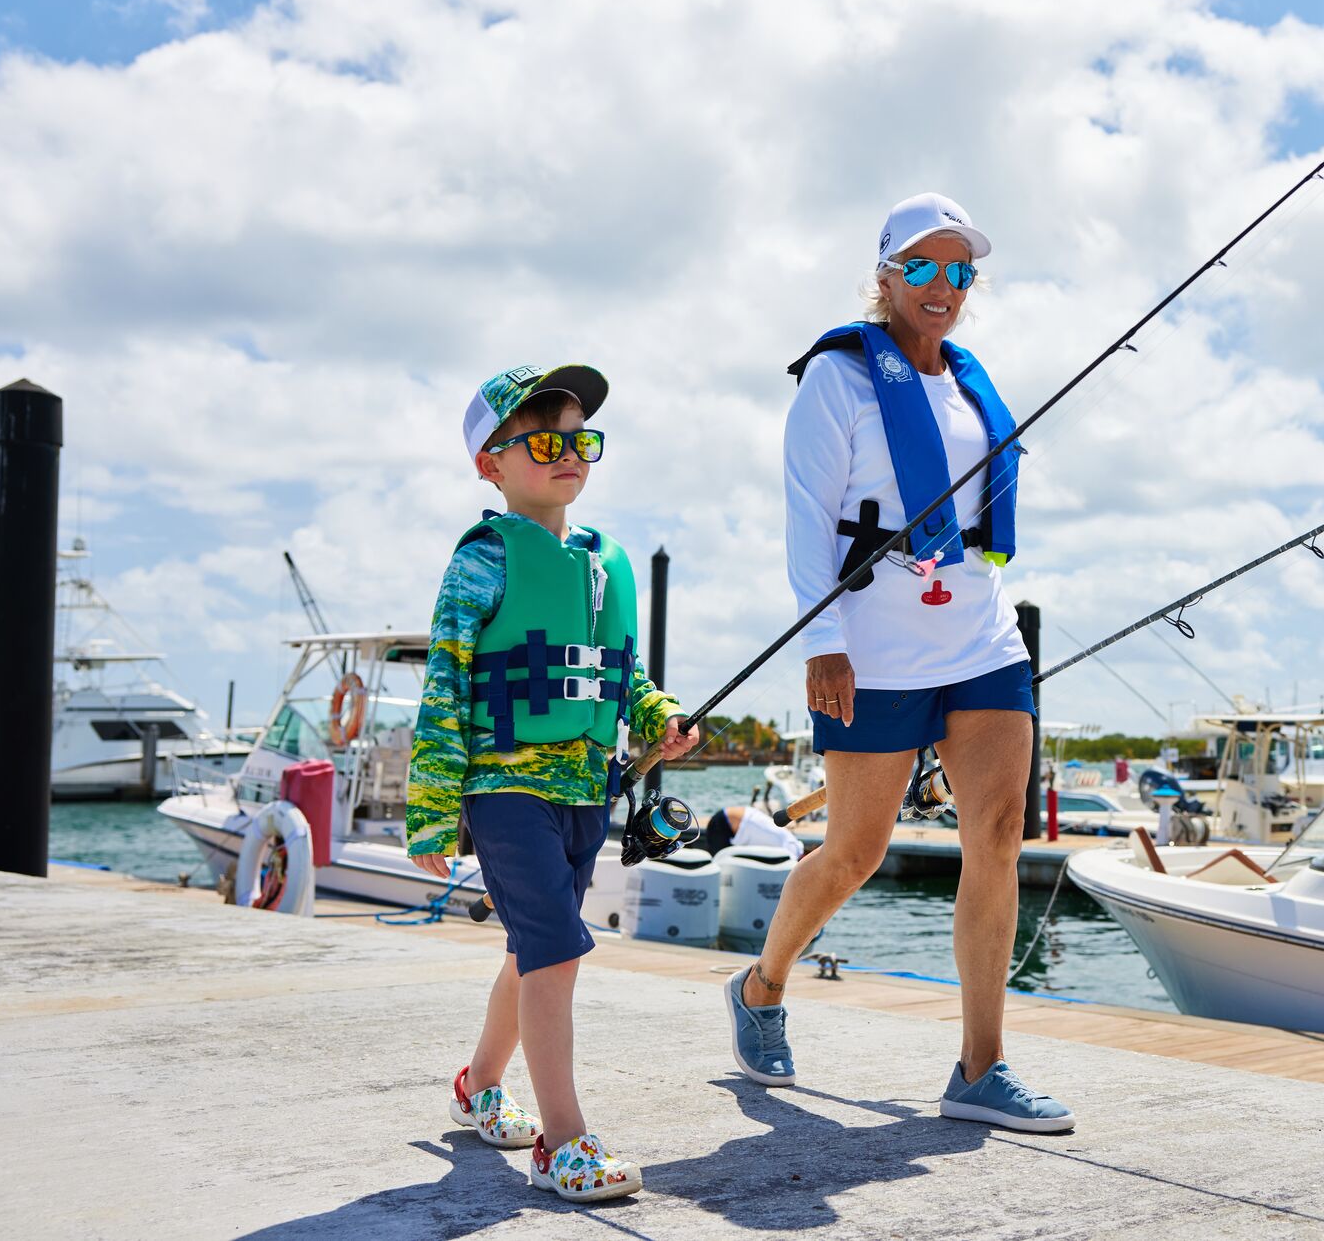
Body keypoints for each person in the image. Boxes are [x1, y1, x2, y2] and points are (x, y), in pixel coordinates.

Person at [722, 192, 1074, 1132]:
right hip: (871, 649)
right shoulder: (837, 381)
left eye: (960, 271)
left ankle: (979, 1067)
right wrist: (821, 644)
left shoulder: (967, 381)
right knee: (855, 853)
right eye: (922, 266)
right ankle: (762, 986)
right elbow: (807, 518)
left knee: (996, 832)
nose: (942, 286)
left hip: (982, 641)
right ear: (883, 276)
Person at [405, 364, 699, 1204]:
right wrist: (431, 816)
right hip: (504, 791)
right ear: (489, 464)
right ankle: (562, 1140)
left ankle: (477, 1085)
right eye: (543, 439)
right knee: (559, 953)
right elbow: (445, 688)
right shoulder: (482, 564)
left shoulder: (602, 565)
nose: (567, 452)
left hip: (584, 792)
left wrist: (658, 718)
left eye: (580, 439)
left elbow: (624, 678)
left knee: (531, 950)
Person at [702, 804, 804, 858]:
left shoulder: (790, 841)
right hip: (725, 823)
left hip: (734, 819)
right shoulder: (791, 850)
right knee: (718, 863)